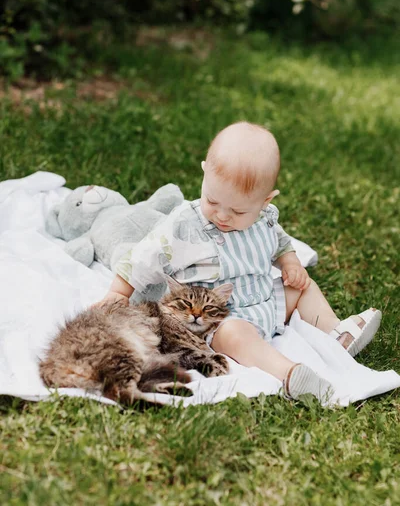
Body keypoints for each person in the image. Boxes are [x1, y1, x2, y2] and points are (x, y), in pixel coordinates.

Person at [97, 121, 382, 404]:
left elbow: (281, 244)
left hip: (267, 301)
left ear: (265, 201)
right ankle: (289, 373)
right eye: (212, 201)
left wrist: (291, 264)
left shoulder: (265, 219)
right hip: (220, 318)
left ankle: (336, 334)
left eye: (238, 210)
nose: (222, 215)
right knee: (235, 335)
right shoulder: (184, 225)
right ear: (204, 172)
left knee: (304, 287)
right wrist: (118, 293)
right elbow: (144, 255)